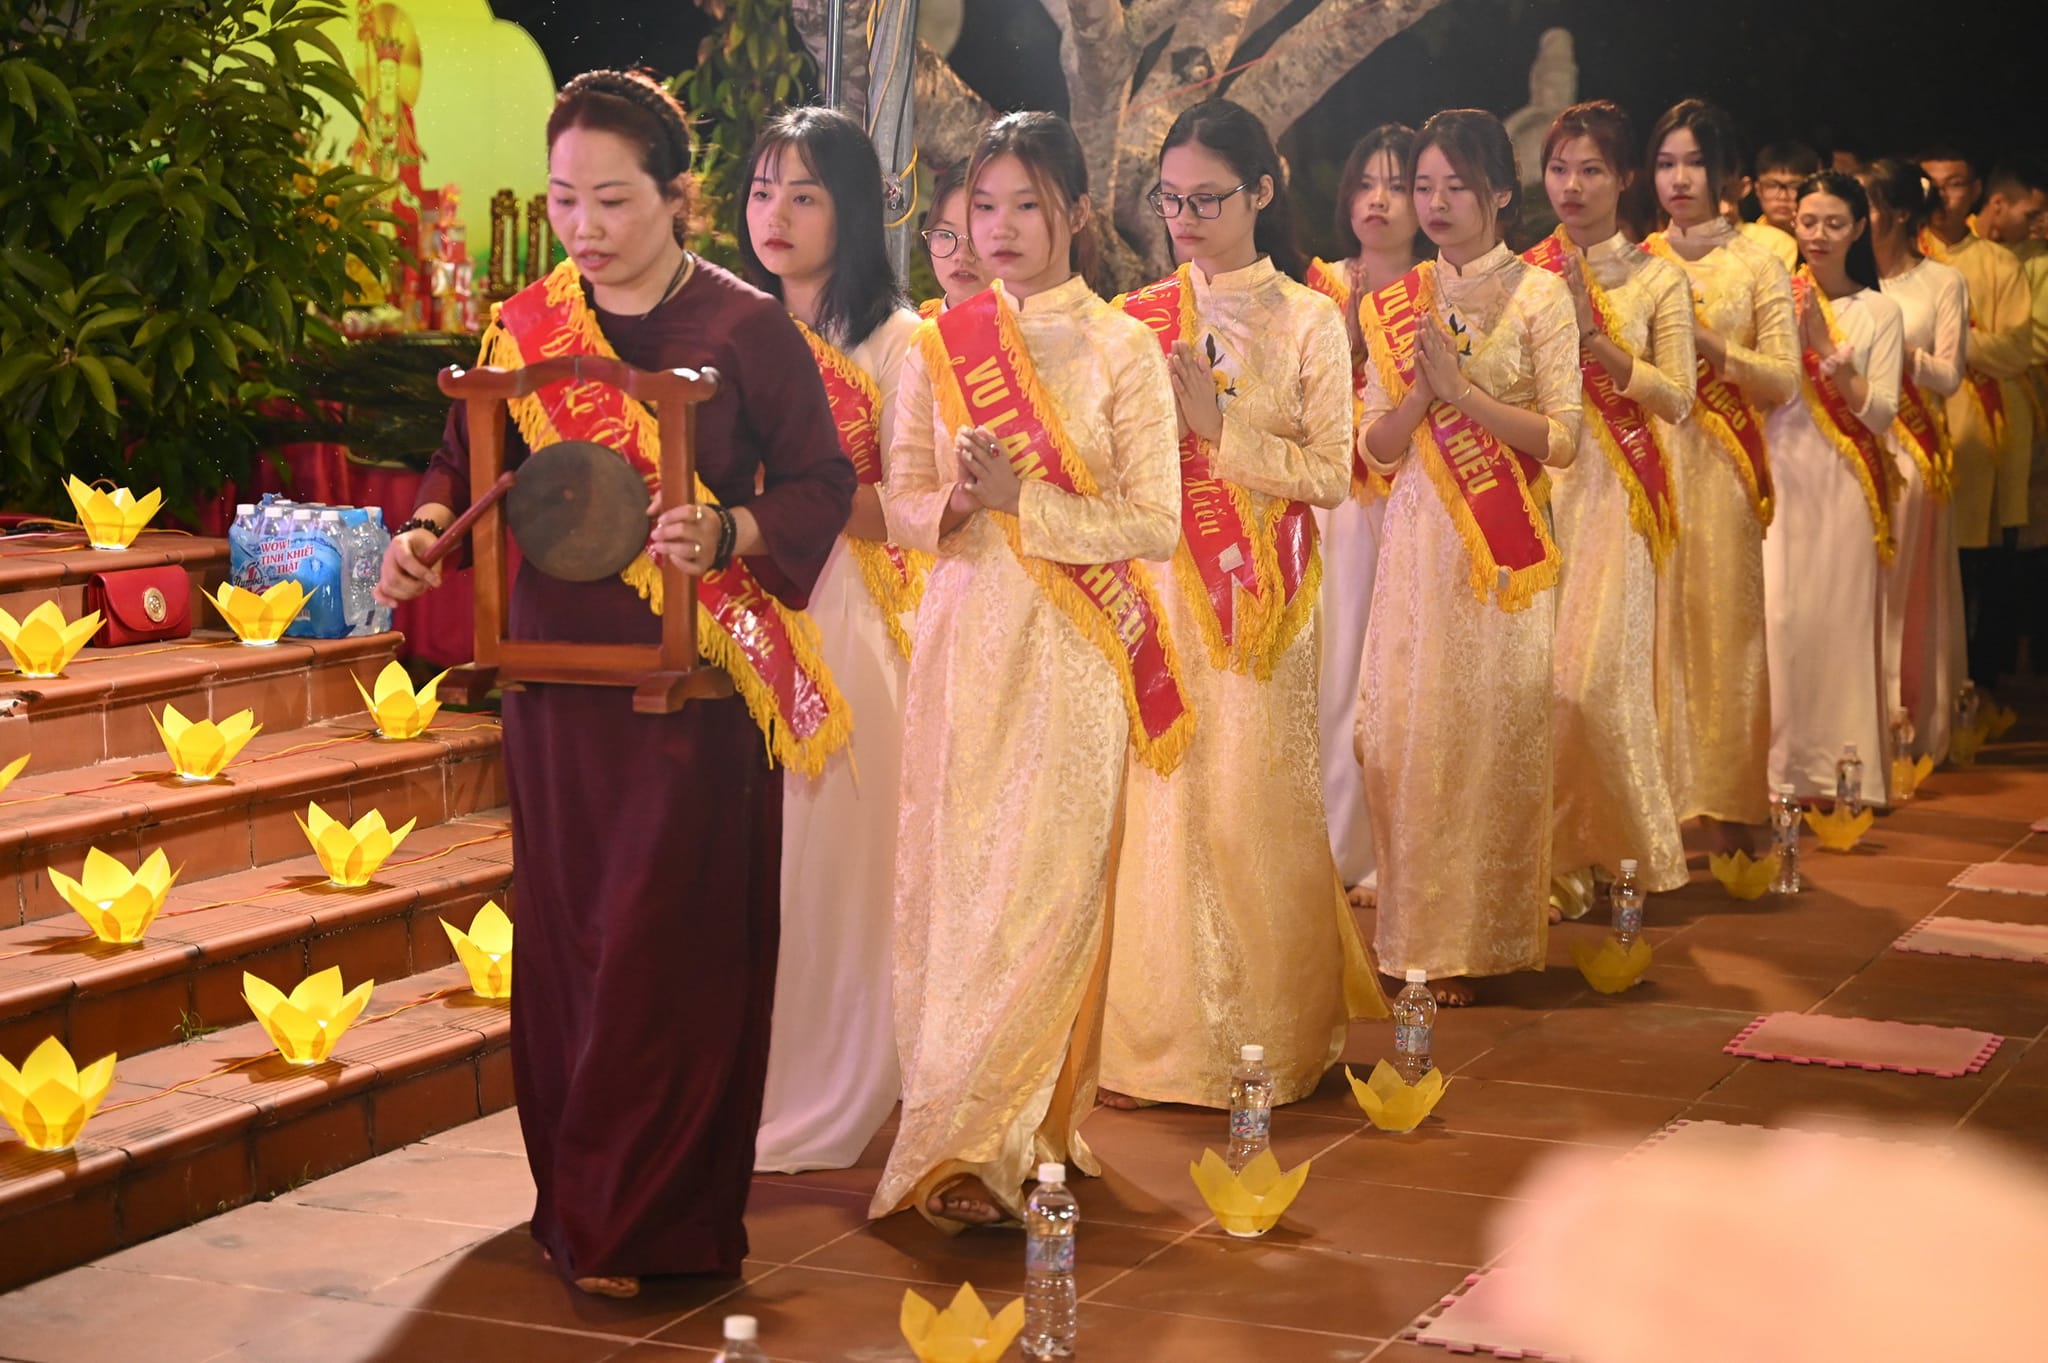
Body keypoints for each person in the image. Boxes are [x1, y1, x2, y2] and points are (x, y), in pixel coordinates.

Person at [375, 71, 854, 1298]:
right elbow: (462, 460)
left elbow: (820, 482)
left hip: (690, 700)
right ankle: (583, 1210)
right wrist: (426, 530)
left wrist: (730, 530)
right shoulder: (529, 322)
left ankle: (652, 1220)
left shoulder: (746, 328)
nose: (582, 227)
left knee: (665, 946)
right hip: (553, 688)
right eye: (562, 200)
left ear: (677, 196)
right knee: (571, 945)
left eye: (612, 199)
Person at [874, 111, 1181, 1227]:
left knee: (1046, 888)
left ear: (1077, 212)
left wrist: (1026, 501)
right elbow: (901, 503)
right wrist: (958, 501)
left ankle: (1005, 1136)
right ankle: (962, 1133)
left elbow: (1156, 522)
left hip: (1075, 656)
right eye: (982, 208)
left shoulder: (1123, 347)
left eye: (1026, 206)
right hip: (965, 641)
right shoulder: (938, 345)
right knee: (962, 887)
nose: (998, 229)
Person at [1098, 99, 1382, 1113]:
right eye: (1169, 199)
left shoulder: (1308, 318)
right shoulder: (1134, 319)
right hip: (1157, 591)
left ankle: (1273, 1034)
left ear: (1262, 191)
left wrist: (1220, 433)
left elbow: (1330, 474)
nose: (1184, 218)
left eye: (1206, 199)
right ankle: (1153, 1044)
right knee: (1161, 805)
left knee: (1252, 803)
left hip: (1262, 600)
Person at [1356, 108, 1581, 1006]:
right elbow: (1375, 449)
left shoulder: (1540, 296)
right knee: (1406, 736)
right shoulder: (1393, 304)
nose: (1436, 202)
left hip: (1504, 551)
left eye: (1457, 185)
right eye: (1424, 185)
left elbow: (1564, 438)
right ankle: (1415, 936)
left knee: (1488, 737)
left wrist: (1467, 395)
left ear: (1499, 194)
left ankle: (1480, 939)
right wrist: (1422, 397)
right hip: (1417, 546)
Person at [737, 106, 923, 1175]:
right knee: (758, 865)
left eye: (804, 195)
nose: (776, 215)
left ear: (850, 210)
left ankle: (842, 1076)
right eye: (763, 191)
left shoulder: (902, 345)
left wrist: (791, 496)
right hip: (745, 611)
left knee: (836, 862)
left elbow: (911, 508)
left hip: (853, 613)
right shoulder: (732, 329)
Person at [1529, 100, 1691, 909]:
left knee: (1592, 687)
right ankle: (1550, 865)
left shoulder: (1659, 278)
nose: (1572, 185)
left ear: (1625, 178)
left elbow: (1679, 397)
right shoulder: (1522, 272)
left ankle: (1616, 852)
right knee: (1533, 688)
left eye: (1591, 169)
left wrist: (1596, 339)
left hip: (1617, 496)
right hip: (1532, 494)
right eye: (1559, 168)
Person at [1642, 99, 1799, 844]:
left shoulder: (1759, 264)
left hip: (1723, 467)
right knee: (1647, 633)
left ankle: (1731, 803)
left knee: (1724, 630)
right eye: (1666, 163)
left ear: (1729, 174)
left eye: (1696, 163)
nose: (1679, 179)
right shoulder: (1636, 260)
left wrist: (1708, 345)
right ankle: (1654, 805)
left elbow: (1784, 379)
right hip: (1645, 468)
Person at [1307, 124, 1421, 910]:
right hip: (1332, 503)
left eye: (1398, 185)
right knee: (1332, 665)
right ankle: (1323, 840)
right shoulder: (1319, 287)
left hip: (1409, 499)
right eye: (1366, 183)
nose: (1378, 201)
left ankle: (1386, 846)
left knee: (1390, 668)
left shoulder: (1436, 291)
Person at [1762, 172, 1903, 805]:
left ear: (1859, 229)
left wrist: (1823, 345)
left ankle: (1841, 773)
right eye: (1808, 222)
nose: (1818, 235)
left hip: (1843, 483)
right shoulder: (1773, 296)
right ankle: (1777, 773)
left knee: (1836, 623)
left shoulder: (1879, 312)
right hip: (1777, 474)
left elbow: (1880, 414)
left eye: (1834, 224)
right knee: (1778, 619)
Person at [1864, 158, 1969, 763]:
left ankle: (1903, 723)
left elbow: (1950, 376)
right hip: (1848, 443)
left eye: (1869, 205)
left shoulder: (1942, 282)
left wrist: (1897, 350)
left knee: (1902, 589)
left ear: (1901, 213)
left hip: (1909, 446)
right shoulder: (1837, 277)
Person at [1917, 147, 2033, 691]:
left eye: (1956, 183)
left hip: (1980, 432)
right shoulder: (1901, 257)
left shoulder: (1998, 263)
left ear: (1978, 190)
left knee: (1976, 567)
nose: (1943, 195)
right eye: (1931, 183)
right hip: (1914, 427)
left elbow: (2016, 351)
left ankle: (1973, 693)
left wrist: (1944, 344)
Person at [918, 159, 989, 317]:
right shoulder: (913, 329)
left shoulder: (1033, 329)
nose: (962, 255)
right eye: (945, 235)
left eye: (979, 237)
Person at [1747, 140, 1819, 271]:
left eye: (1794, 186)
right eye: (1772, 185)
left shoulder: (1820, 242)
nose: (1782, 197)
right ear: (1758, 189)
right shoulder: (1745, 240)